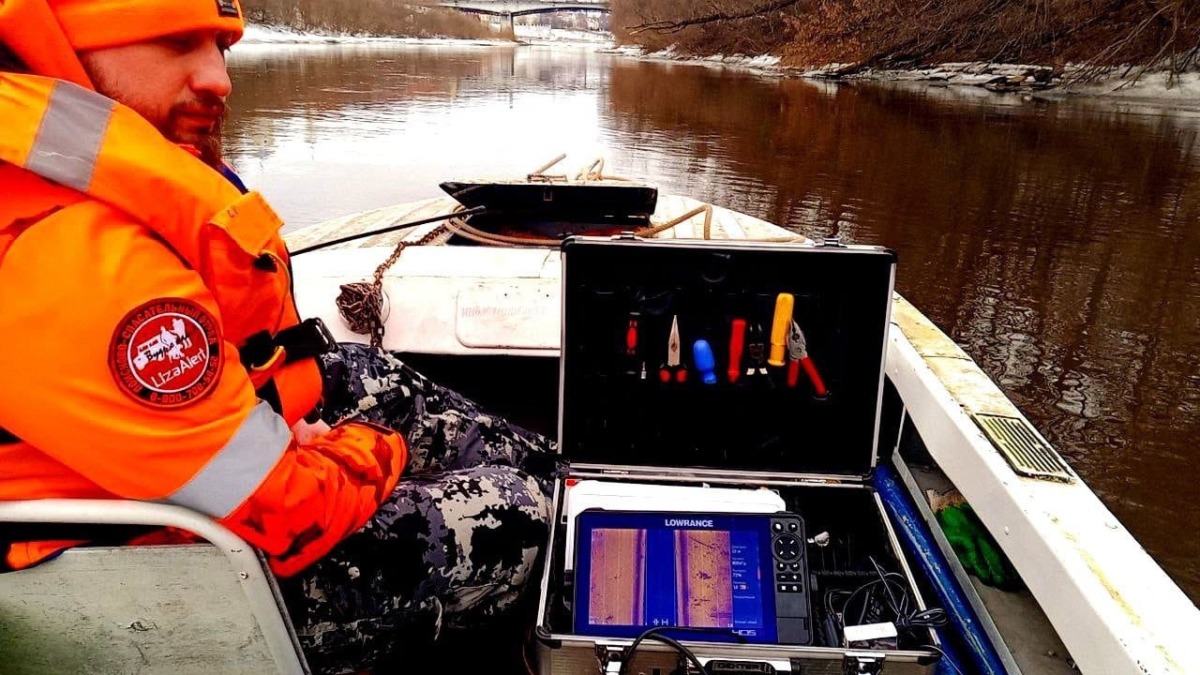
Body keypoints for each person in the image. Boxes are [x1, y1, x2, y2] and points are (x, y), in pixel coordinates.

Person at [0, 1, 558, 672]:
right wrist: (373, 450)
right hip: (134, 580)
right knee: (519, 514)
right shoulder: (67, 253)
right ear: (59, 48)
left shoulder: (45, 184)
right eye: (177, 44)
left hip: (134, 488)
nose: (218, 79)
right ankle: (550, 502)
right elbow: (287, 512)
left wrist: (287, 430)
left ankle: (563, 471)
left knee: (349, 371)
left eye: (221, 47)